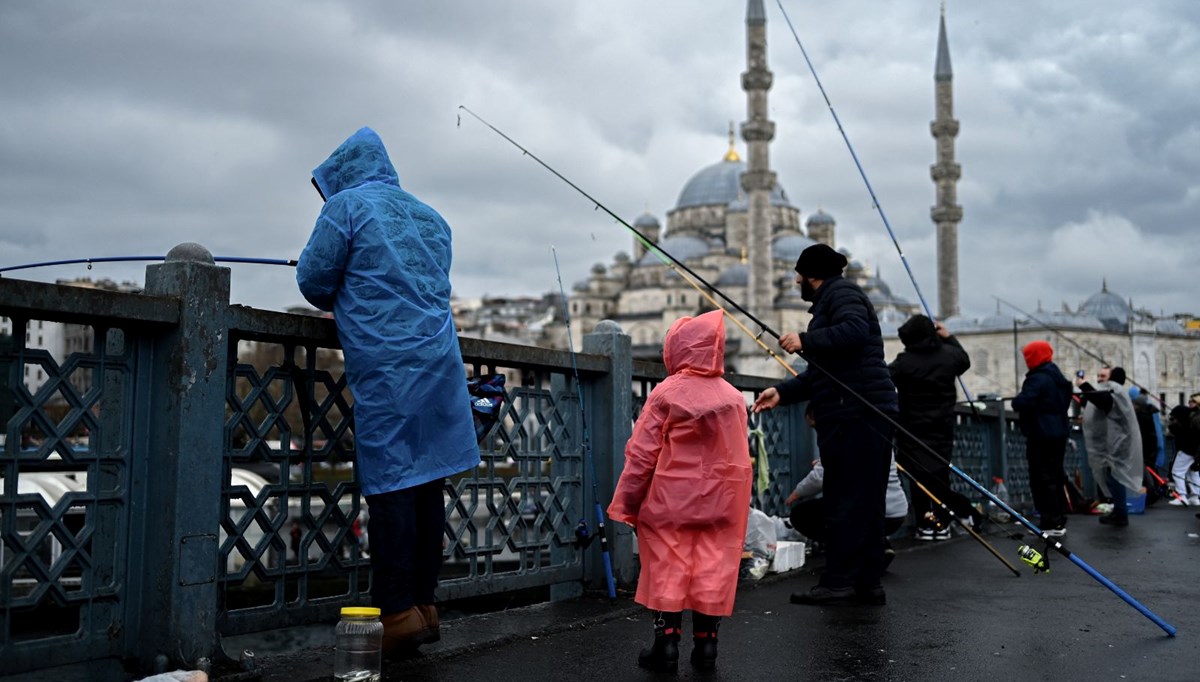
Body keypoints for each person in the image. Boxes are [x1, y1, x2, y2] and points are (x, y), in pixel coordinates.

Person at [296, 127, 481, 654]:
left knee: (392, 483)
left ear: (342, 174)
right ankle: (426, 604)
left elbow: (314, 283)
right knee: (428, 481)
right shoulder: (431, 216)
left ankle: (396, 611)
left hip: (388, 363)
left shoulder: (347, 207)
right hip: (441, 362)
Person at [752, 243, 898, 606]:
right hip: (863, 409)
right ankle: (867, 583)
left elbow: (854, 332)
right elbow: (825, 373)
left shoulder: (842, 294)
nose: (797, 280)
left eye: (800, 274)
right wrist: (781, 393)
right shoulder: (837, 297)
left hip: (855, 413)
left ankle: (839, 583)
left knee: (846, 499)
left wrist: (805, 339)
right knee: (864, 500)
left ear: (813, 275)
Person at [608, 310, 752, 672]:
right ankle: (706, 648)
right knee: (712, 567)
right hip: (722, 501)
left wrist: (627, 501)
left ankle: (666, 646)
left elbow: (641, 455)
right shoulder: (734, 397)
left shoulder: (666, 393)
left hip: (670, 500)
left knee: (667, 567)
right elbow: (739, 455)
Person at [888, 314, 974, 540]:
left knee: (918, 478)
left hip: (911, 428)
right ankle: (942, 523)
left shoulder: (904, 361)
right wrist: (949, 338)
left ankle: (927, 524)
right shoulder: (948, 356)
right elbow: (964, 360)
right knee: (939, 474)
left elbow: (886, 378)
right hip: (942, 426)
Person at [1010, 341, 1073, 536]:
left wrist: (1016, 400)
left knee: (1041, 478)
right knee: (1054, 476)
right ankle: (1058, 519)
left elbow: (1023, 402)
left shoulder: (1038, 379)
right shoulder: (1058, 378)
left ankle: (1050, 522)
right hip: (1059, 433)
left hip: (1041, 434)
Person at [1075, 367, 1143, 527]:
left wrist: (1084, 385)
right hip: (1115, 441)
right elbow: (1097, 404)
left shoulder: (1115, 391)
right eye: (1098, 376)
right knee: (1113, 476)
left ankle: (1120, 513)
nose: (1099, 379)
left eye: (1103, 376)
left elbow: (1102, 401)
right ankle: (1119, 511)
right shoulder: (1115, 392)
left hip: (1118, 443)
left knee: (1115, 476)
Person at [1128, 386, 1166, 504]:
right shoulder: (1151, 412)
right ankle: (1155, 491)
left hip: (1143, 447)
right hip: (1152, 446)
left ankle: (1151, 493)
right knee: (1151, 470)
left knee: (1145, 471)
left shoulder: (1140, 416)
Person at [1166, 394, 1200, 506]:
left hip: (1187, 449)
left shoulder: (1194, 418)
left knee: (1177, 472)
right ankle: (1195, 497)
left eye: (1193, 401)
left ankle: (1181, 496)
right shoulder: (1192, 416)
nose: (1190, 403)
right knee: (1192, 473)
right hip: (1193, 451)